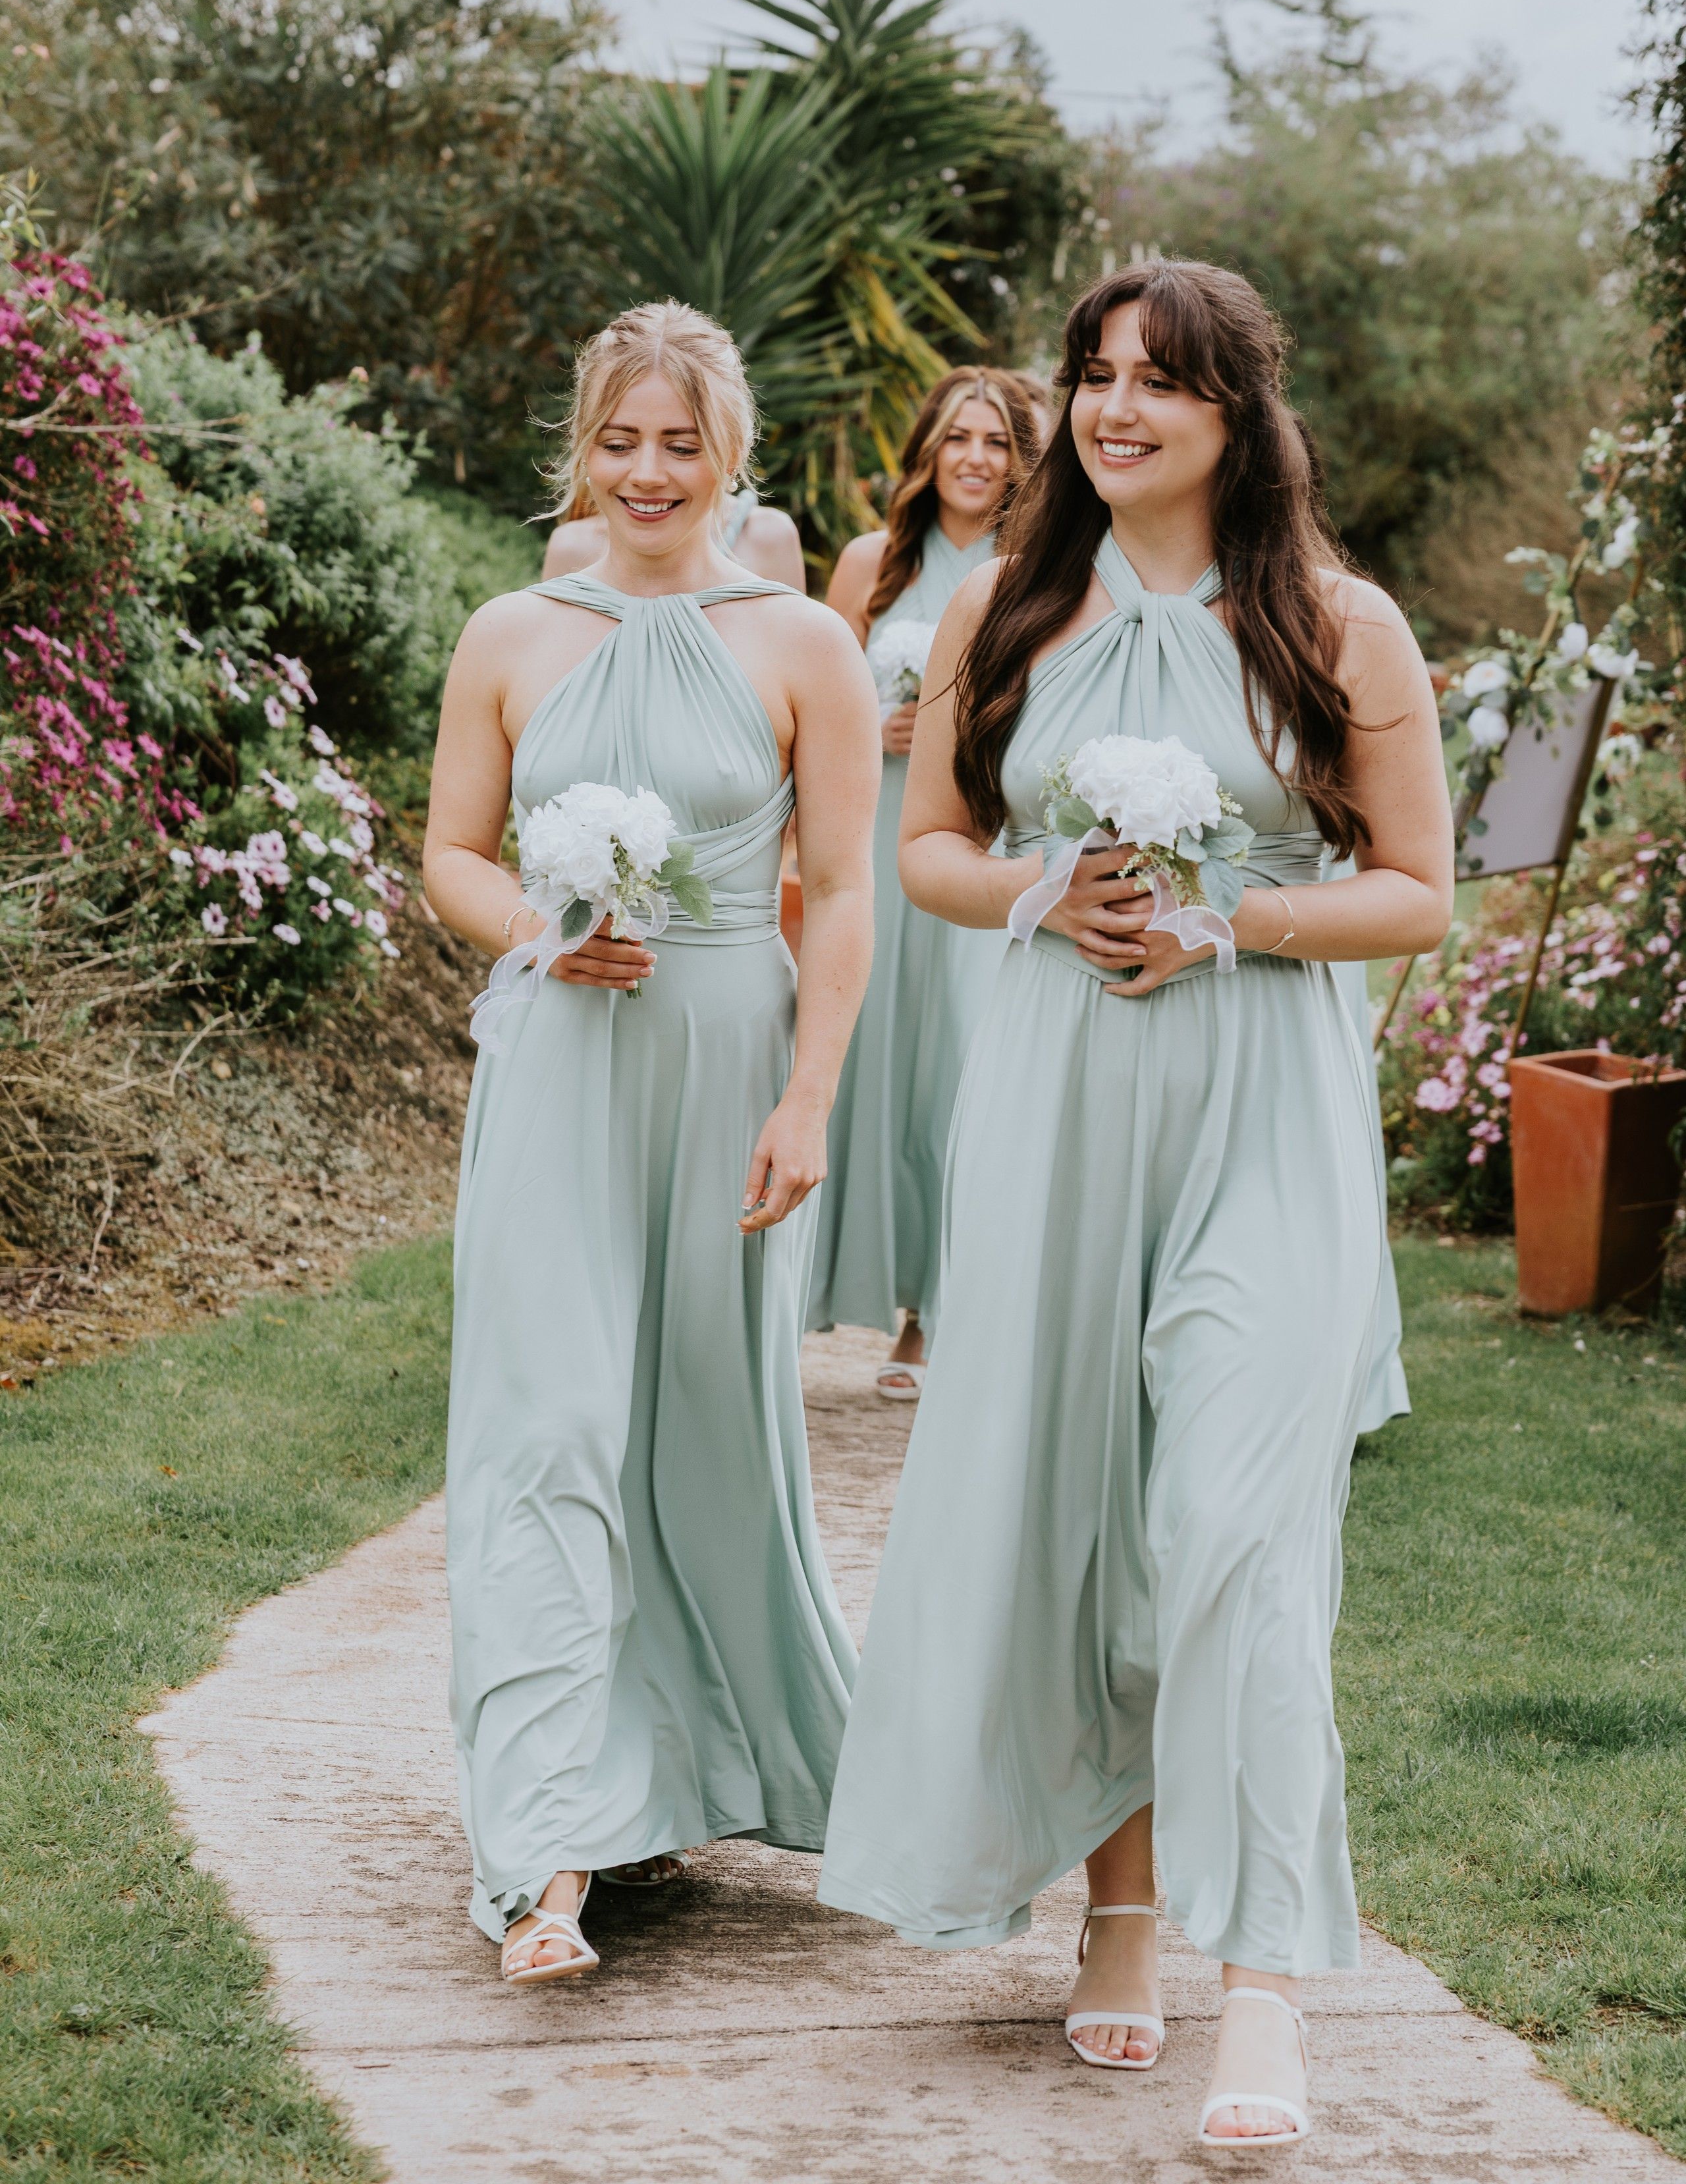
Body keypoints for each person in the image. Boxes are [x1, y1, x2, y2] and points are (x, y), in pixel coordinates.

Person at [817, 263, 1453, 2146]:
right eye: (1094, 377)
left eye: (1160, 384)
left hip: (1263, 1113)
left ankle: (1263, 1987)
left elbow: (1417, 893)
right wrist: (1042, 897)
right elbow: (925, 845)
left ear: (1240, 416)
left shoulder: (1344, 626)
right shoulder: (1009, 615)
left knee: (1239, 1536)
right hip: (1055, 1106)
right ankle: (1120, 1916)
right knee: (1088, 1524)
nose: (1114, 409)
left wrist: (1232, 921)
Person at [425, 300, 881, 1984]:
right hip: (558, 1059)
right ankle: (544, 1849)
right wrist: (538, 928)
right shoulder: (509, 633)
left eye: (678, 443)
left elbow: (841, 889)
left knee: (696, 1429)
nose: (645, 470)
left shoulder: (800, 645)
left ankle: (703, 1763)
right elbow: (450, 859)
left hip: (720, 1058)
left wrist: (809, 1096)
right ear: (581, 444)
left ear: (727, 454)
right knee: (544, 1426)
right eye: (620, 438)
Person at [812, 369, 1041, 1396]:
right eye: (959, 438)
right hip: (873, 841)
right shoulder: (873, 563)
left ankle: (933, 1315)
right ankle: (821, 1288)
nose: (978, 458)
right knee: (865, 1060)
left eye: (997, 441)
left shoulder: (1038, 565)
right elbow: (805, 701)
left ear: (1020, 458)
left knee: (958, 1069)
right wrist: (875, 720)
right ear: (927, 452)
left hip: (973, 842)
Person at [543, 475, 807, 591]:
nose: (648, 477)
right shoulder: (572, 545)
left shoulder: (769, 535)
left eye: (683, 449)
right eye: (618, 446)